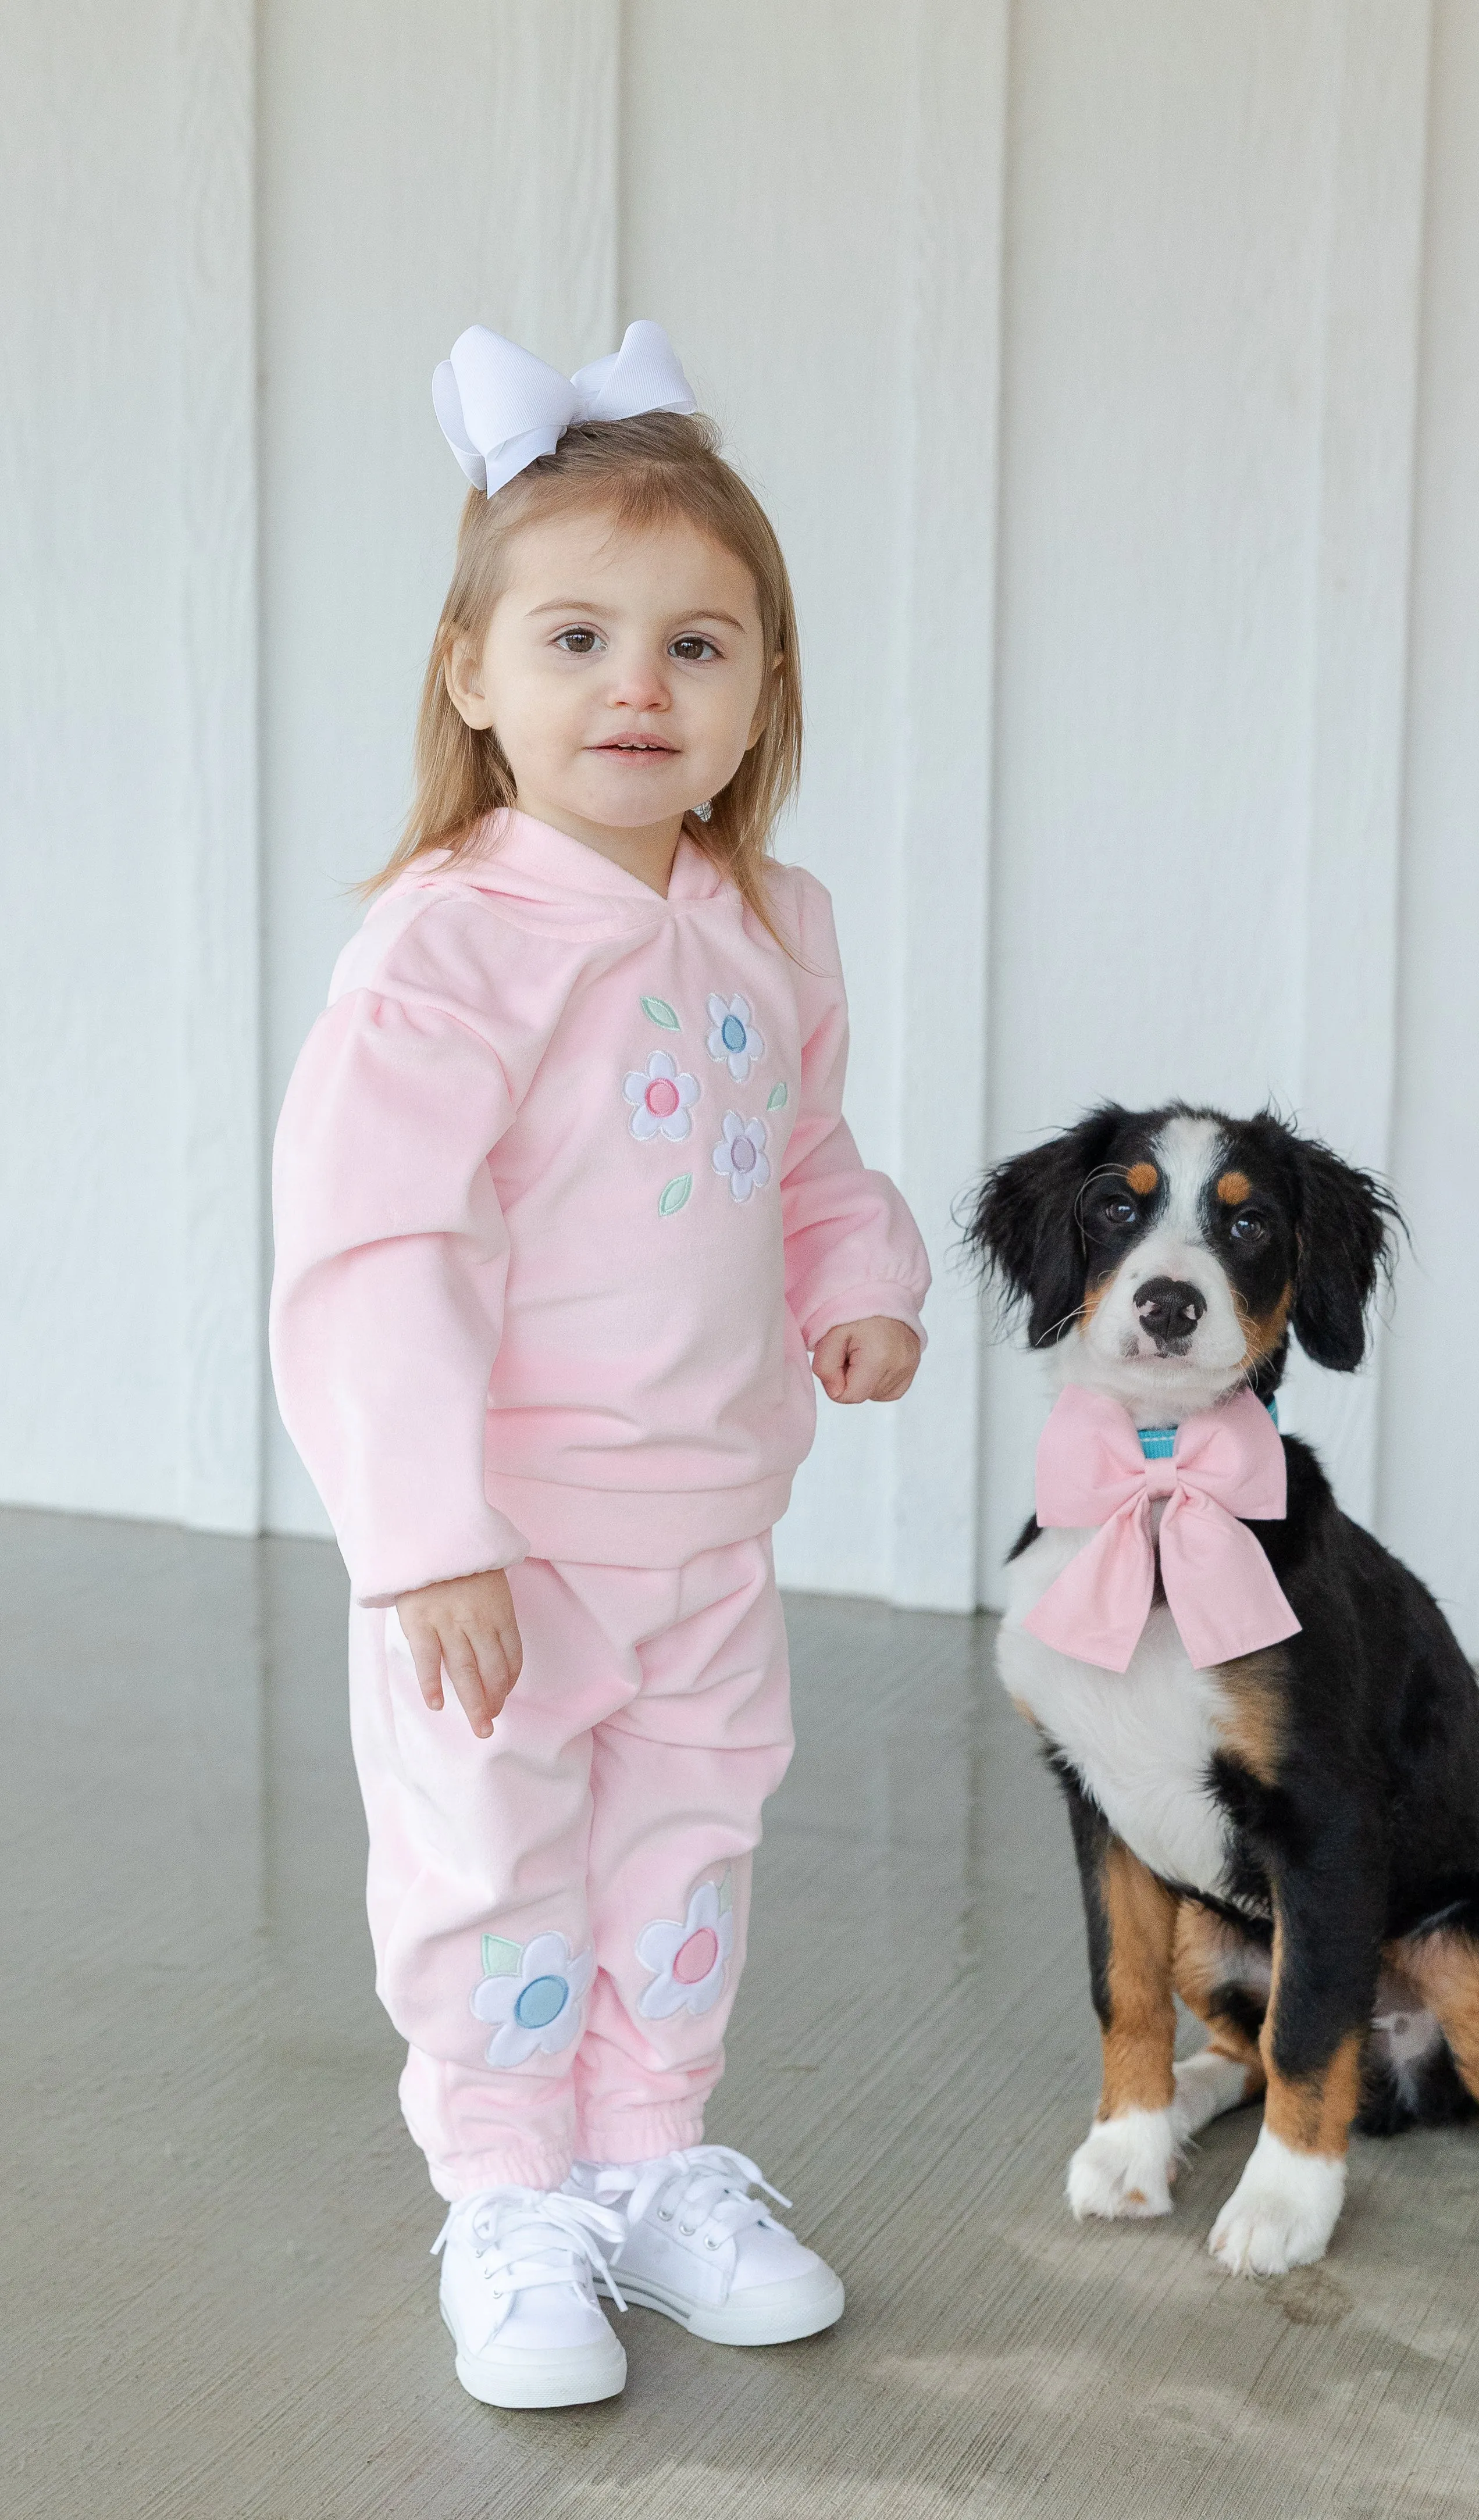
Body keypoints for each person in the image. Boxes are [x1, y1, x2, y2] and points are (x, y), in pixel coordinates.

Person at [270, 321, 930, 2409]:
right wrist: (422, 1534)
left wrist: (861, 1273)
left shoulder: (766, 923)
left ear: (763, 694)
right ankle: (509, 2189)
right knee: (497, 1853)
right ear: (473, 675)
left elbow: (805, 1151)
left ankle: (650, 2155)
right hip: (508, 1535)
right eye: (576, 636)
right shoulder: (449, 946)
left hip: (707, 1519)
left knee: (689, 1827)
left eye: (698, 646)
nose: (638, 687)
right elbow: (373, 1249)